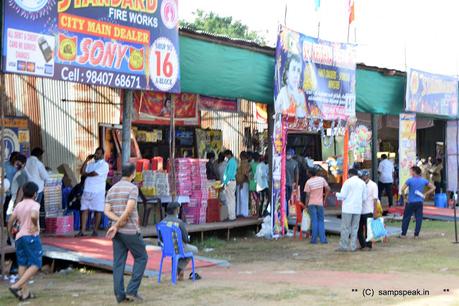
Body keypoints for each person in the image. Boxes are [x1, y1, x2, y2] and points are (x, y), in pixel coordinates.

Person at [104, 163, 147, 303]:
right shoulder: (133, 188)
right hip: (130, 230)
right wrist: (119, 223)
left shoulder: (112, 189)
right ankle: (132, 290)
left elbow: (107, 211)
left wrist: (116, 224)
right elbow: (128, 211)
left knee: (118, 262)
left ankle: (120, 295)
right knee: (142, 257)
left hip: (117, 232)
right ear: (133, 174)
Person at [7, 182, 43, 301]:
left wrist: (10, 232)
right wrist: (35, 225)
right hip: (31, 237)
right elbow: (33, 216)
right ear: (34, 194)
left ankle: (25, 293)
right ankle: (16, 286)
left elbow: (11, 220)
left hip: (19, 237)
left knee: (22, 264)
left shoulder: (19, 205)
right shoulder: (35, 204)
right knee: (36, 264)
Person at [160, 202, 200, 281]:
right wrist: (187, 239)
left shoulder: (162, 223)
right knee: (194, 250)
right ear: (176, 210)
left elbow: (161, 238)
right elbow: (185, 238)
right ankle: (180, 268)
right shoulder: (179, 222)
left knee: (179, 253)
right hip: (179, 247)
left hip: (167, 249)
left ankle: (177, 270)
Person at [78, 147, 109, 237]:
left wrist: (86, 174)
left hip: (98, 191)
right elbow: (81, 171)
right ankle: (82, 231)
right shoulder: (90, 164)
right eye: (96, 152)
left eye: (99, 153)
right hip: (87, 189)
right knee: (84, 209)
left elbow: (94, 174)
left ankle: (95, 230)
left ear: (102, 155)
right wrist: (86, 160)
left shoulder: (104, 165)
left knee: (98, 211)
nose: (96, 154)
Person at [336, 168, 367, 252]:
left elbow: (342, 196)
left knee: (345, 228)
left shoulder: (347, 182)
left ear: (349, 174)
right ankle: (353, 246)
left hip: (347, 208)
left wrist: (336, 194)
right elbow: (364, 198)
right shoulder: (362, 183)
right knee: (355, 228)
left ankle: (343, 246)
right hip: (357, 208)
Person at [400, 166, 435, 239]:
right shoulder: (423, 180)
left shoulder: (410, 180)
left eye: (411, 171)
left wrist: (404, 198)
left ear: (414, 172)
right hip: (419, 202)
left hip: (410, 202)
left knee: (406, 218)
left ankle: (403, 234)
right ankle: (416, 235)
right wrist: (426, 193)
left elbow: (402, 189)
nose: (410, 172)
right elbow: (433, 187)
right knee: (419, 218)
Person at [304, 168, 330, 244]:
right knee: (321, 221)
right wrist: (324, 199)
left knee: (314, 221)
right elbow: (328, 189)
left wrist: (306, 205)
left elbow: (307, 196)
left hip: (311, 204)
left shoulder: (308, 182)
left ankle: (314, 239)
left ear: (309, 174)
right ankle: (323, 239)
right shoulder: (321, 179)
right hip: (320, 203)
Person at [358, 170, 378, 250]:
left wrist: (375, 211)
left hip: (368, 210)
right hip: (359, 210)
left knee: (368, 229)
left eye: (363, 176)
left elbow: (375, 199)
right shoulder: (360, 184)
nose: (362, 178)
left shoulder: (373, 185)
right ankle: (362, 245)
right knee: (359, 229)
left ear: (367, 176)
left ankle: (368, 245)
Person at [6, 154, 29, 221]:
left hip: (16, 199)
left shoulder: (20, 173)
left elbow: (21, 189)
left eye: (18, 163)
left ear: (23, 164)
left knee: (10, 219)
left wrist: (16, 203)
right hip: (17, 198)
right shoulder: (21, 172)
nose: (15, 165)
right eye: (15, 163)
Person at [223, 150, 238, 221]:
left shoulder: (231, 162)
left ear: (229, 155)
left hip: (230, 182)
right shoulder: (232, 161)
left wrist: (225, 182)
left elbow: (229, 174)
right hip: (231, 181)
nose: (225, 157)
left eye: (226, 155)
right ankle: (231, 215)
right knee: (231, 199)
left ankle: (231, 216)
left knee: (230, 199)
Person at [236, 151, 251, 217]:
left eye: (240, 155)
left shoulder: (245, 163)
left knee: (243, 198)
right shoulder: (243, 163)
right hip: (240, 183)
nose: (240, 157)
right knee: (241, 198)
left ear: (243, 156)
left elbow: (245, 174)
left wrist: (241, 183)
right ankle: (240, 212)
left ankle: (243, 213)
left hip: (243, 183)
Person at [285, 149, 299, 217]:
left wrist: (296, 184)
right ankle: (286, 214)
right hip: (290, 184)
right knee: (287, 199)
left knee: (285, 199)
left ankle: (285, 213)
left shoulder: (283, 162)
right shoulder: (295, 163)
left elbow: (296, 174)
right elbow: (297, 175)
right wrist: (296, 184)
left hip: (285, 184)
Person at [249, 152, 260, 216]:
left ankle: (253, 212)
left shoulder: (251, 165)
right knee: (258, 199)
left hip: (252, 184)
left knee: (253, 199)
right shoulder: (260, 165)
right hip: (259, 184)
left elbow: (249, 174)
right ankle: (258, 213)